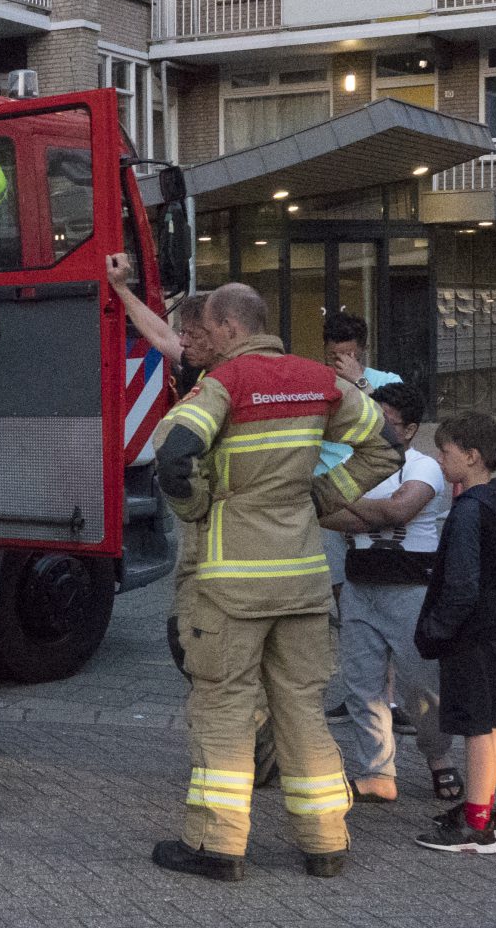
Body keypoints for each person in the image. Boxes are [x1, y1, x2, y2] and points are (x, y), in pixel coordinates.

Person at [149, 283, 400, 882]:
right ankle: (325, 841)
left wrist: (197, 507)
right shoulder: (318, 380)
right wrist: (316, 497)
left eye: (201, 330)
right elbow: (385, 446)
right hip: (303, 581)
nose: (192, 341)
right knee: (302, 710)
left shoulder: (224, 385)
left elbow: (174, 455)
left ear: (232, 328)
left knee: (224, 710)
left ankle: (216, 843)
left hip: (229, 584)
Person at [103, 255, 282, 786]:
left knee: (216, 644)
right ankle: (256, 746)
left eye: (191, 331)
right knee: (197, 642)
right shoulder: (207, 368)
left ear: (220, 331)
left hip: (233, 529)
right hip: (218, 529)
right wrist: (123, 291)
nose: (180, 341)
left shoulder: (236, 379)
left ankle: (247, 752)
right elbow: (158, 334)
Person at [318, 382, 455, 804]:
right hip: (361, 586)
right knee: (362, 685)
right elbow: (329, 516)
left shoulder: (424, 466)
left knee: (421, 686)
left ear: (411, 429)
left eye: (387, 424)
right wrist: (363, 511)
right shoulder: (355, 465)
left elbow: (401, 509)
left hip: (411, 589)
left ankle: (439, 759)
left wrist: (351, 504)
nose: (376, 431)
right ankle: (377, 771)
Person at [413, 412, 496, 854]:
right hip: (489, 622)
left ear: (473, 456)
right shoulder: (495, 502)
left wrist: (435, 632)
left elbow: (460, 585)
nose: (439, 460)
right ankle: (484, 808)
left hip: (469, 629)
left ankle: (476, 824)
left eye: (445, 452)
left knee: (476, 726)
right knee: (488, 721)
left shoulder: (467, 513)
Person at [317, 311, 404, 596]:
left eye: (349, 354)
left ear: (363, 349)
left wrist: (359, 382)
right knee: (335, 582)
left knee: (374, 581)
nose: (341, 362)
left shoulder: (387, 380)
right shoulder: (316, 383)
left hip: (372, 484)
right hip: (328, 485)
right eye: (334, 356)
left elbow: (393, 429)